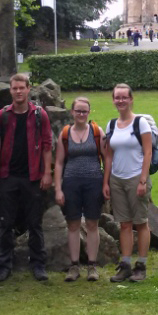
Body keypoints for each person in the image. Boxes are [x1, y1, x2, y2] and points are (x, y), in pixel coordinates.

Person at [0, 74, 53, 282]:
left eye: (22, 88)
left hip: (33, 176)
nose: (18, 91)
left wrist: (47, 173)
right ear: (10, 91)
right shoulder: (2, 116)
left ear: (28, 90)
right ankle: (3, 265)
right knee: (5, 223)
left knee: (35, 223)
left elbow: (46, 144)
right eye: (15, 88)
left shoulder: (39, 115)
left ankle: (38, 264)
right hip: (8, 176)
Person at [103, 83, 152, 283]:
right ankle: (125, 265)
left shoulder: (140, 123)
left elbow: (148, 152)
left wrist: (142, 180)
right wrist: (106, 182)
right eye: (117, 97)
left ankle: (141, 265)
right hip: (117, 179)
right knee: (124, 224)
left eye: (124, 97)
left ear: (131, 99)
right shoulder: (111, 125)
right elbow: (108, 156)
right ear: (113, 100)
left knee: (140, 223)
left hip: (135, 178)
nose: (120, 101)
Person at [54, 97, 106, 282]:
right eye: (78, 111)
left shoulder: (97, 132)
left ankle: (92, 266)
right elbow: (59, 163)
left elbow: (107, 160)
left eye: (84, 111)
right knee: (73, 224)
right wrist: (58, 189)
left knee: (92, 224)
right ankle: (74, 265)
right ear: (72, 112)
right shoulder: (65, 133)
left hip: (94, 182)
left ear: (89, 112)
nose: (81, 114)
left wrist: (106, 183)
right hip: (71, 182)